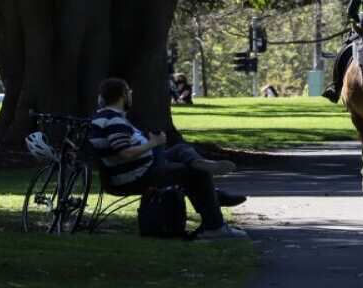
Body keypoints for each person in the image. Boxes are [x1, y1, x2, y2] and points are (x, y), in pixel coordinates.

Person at [88, 77, 247, 239]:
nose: (131, 95)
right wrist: (153, 143)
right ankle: (215, 222)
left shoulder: (103, 117)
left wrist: (153, 144)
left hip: (140, 167)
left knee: (181, 150)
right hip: (137, 175)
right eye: (129, 92)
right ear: (123, 96)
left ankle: (203, 171)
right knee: (194, 173)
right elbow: (125, 153)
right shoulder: (114, 121)